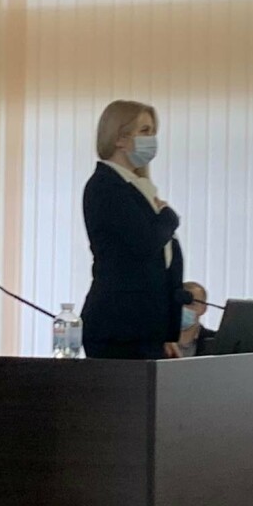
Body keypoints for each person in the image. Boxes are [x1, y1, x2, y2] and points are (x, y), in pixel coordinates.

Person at [80, 100, 186, 360]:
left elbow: (162, 262)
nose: (152, 139)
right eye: (145, 131)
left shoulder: (138, 186)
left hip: (146, 326)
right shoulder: (107, 186)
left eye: (153, 132)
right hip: (119, 326)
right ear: (119, 138)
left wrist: (167, 332)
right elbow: (145, 243)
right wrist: (169, 217)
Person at [178, 281, 215, 357]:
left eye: (191, 304)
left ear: (203, 309)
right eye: (179, 304)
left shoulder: (216, 341)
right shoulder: (156, 341)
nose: (183, 308)